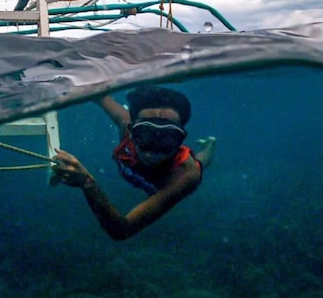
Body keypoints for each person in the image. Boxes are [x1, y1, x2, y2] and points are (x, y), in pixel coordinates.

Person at [54, 85, 216, 240]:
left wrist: (87, 182)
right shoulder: (125, 122)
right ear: (131, 131)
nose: (154, 150)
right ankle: (206, 142)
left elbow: (122, 230)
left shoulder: (186, 174)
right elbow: (98, 95)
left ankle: (210, 145)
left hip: (185, 170)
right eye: (144, 134)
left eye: (167, 137)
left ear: (180, 139)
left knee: (199, 163)